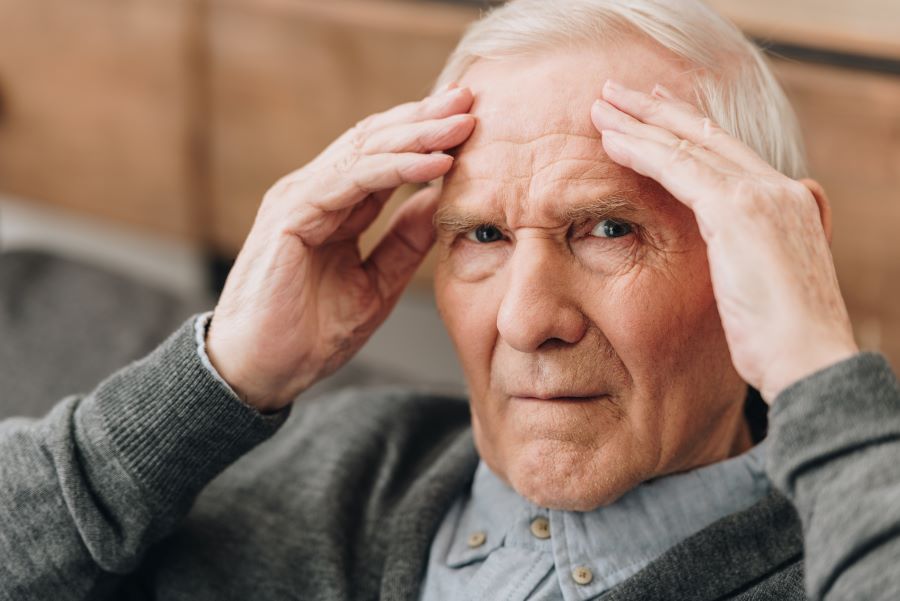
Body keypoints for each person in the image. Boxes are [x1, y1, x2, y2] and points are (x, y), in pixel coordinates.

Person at [2, 0, 898, 599]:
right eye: (482, 236)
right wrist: (220, 376)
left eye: (608, 228)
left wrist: (817, 368)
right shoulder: (338, 460)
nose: (524, 319)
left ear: (780, 246)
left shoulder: (845, 543)